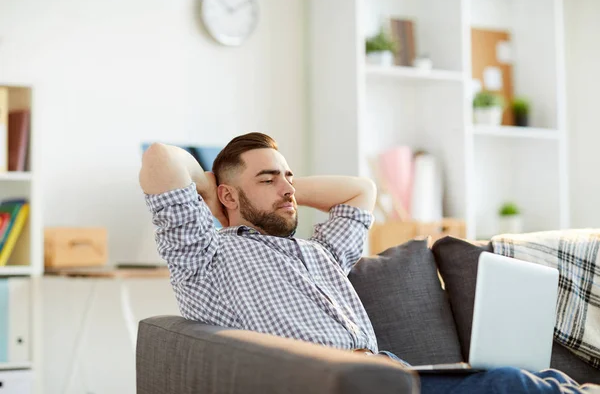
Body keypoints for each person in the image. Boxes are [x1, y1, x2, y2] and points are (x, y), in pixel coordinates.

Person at [139, 132, 599, 394]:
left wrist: (272, 185)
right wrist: (214, 187)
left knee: (543, 380)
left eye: (290, 176)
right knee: (511, 387)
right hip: (336, 384)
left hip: (395, 373)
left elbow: (362, 192)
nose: (289, 189)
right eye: (269, 178)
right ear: (226, 194)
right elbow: (160, 158)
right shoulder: (207, 255)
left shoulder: (322, 253)